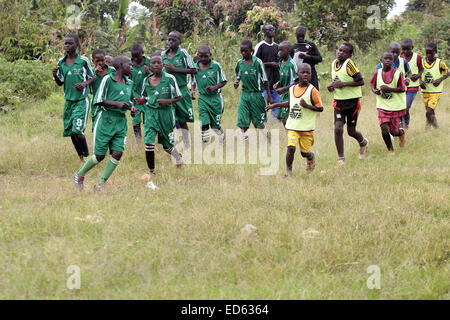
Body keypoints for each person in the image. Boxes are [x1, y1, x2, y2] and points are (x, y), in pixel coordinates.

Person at [74, 56, 137, 191]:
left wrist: (132, 108)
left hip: (120, 122)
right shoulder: (108, 79)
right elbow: (98, 100)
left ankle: (100, 184)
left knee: (118, 153)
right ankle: (80, 174)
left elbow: (129, 100)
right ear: (120, 66)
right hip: (105, 119)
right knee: (100, 156)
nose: (132, 67)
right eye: (129, 65)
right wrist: (117, 104)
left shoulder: (129, 83)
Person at [134, 54, 184, 189]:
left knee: (167, 145)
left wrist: (168, 101)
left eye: (158, 63)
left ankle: (178, 157)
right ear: (150, 66)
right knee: (149, 142)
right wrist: (141, 101)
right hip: (150, 114)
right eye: (153, 63)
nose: (156, 65)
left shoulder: (170, 79)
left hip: (165, 114)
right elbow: (145, 97)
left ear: (163, 65)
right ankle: (152, 171)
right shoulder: (146, 80)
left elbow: (179, 96)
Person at [266, 63, 323, 175]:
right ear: (298, 74)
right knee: (291, 148)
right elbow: (291, 103)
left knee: (304, 153)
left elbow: (320, 108)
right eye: (303, 72)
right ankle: (288, 173)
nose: (305, 74)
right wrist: (275, 105)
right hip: (293, 126)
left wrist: (307, 106)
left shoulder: (313, 91)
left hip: (306, 128)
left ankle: (310, 156)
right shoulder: (292, 89)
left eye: (308, 72)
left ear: (311, 75)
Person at [52, 34, 94, 162]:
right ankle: (80, 157)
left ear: (76, 45)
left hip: (81, 101)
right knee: (71, 132)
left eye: (70, 43)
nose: (67, 46)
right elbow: (60, 82)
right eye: (65, 43)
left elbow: (93, 76)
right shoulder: (61, 62)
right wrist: (55, 75)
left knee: (77, 130)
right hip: (69, 102)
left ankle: (87, 155)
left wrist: (84, 84)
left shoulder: (83, 60)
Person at [327, 42, 369, 165]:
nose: (340, 53)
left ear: (350, 54)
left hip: (352, 102)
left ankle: (363, 143)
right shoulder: (334, 63)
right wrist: (332, 86)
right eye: (339, 50)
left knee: (351, 131)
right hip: (339, 102)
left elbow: (361, 81)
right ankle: (341, 159)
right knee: (338, 128)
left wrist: (343, 85)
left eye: (344, 51)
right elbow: (337, 79)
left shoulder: (349, 64)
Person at [162, 31, 197, 149]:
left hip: (181, 90)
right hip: (168, 92)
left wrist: (175, 69)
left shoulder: (183, 53)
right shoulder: (163, 54)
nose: (170, 42)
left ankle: (187, 144)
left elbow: (193, 70)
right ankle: (171, 145)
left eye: (174, 40)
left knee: (182, 119)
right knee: (169, 119)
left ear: (179, 42)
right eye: (169, 39)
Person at [234, 40, 272, 141]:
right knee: (242, 118)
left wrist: (269, 95)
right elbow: (238, 74)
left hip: (257, 95)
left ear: (251, 51)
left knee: (259, 122)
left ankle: (267, 135)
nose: (243, 53)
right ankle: (245, 139)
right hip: (245, 94)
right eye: (241, 51)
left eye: (245, 51)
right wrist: (237, 81)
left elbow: (265, 80)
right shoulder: (239, 63)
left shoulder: (257, 62)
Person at [371, 51, 407, 154]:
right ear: (381, 60)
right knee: (384, 128)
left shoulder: (397, 74)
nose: (388, 60)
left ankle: (401, 133)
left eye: (390, 59)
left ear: (393, 61)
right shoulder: (377, 73)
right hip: (382, 106)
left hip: (395, 106)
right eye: (385, 58)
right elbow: (372, 85)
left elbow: (402, 89)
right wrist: (375, 91)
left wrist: (389, 89)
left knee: (394, 131)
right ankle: (390, 150)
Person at [190, 45, 227, 144]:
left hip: (215, 99)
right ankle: (206, 143)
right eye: (201, 56)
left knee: (215, 126)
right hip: (203, 99)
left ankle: (222, 137)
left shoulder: (216, 66)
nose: (203, 59)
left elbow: (224, 81)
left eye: (205, 56)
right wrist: (192, 91)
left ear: (210, 55)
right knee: (204, 122)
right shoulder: (195, 68)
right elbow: (193, 82)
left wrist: (214, 87)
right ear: (198, 56)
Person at [254, 24, 280, 123]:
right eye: (270, 29)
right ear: (265, 32)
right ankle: (262, 123)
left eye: (273, 29)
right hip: (263, 81)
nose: (272, 30)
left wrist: (278, 65)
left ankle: (275, 123)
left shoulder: (277, 46)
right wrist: (269, 64)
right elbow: (255, 63)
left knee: (276, 104)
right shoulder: (260, 46)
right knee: (263, 104)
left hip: (275, 80)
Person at [419, 42, 449, 129]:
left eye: (430, 53)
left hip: (435, 92)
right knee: (430, 112)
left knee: (429, 112)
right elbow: (417, 74)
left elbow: (448, 73)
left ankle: (430, 128)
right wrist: (420, 82)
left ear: (435, 51)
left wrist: (440, 80)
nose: (428, 55)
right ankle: (435, 129)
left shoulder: (440, 62)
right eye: (427, 53)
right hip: (425, 92)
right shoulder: (421, 62)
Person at [273, 41, 298, 125]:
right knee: (281, 117)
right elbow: (284, 76)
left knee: (287, 118)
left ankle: (292, 136)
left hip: (290, 93)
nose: (279, 52)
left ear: (288, 51)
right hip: (283, 94)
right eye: (278, 50)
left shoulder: (291, 64)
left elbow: (297, 81)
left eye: (281, 50)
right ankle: (289, 135)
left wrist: (283, 89)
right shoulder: (280, 63)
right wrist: (278, 83)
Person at [400, 38, 423, 129]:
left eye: (407, 49)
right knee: (401, 108)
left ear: (412, 47)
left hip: (412, 86)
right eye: (403, 49)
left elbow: (421, 69)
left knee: (406, 107)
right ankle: (402, 126)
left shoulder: (418, 57)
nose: (405, 51)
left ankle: (405, 125)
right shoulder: (399, 56)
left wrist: (418, 76)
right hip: (401, 86)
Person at [130, 43, 151, 142]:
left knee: (149, 120)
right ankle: (138, 141)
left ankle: (149, 140)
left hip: (148, 96)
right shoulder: (129, 64)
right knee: (136, 119)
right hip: (135, 96)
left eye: (137, 56)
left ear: (142, 53)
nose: (135, 59)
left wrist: (149, 73)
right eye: (133, 57)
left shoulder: (149, 62)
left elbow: (157, 76)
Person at [90, 49, 116, 129]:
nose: (100, 63)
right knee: (96, 125)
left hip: (110, 101)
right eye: (97, 61)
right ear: (93, 60)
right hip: (97, 102)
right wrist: (94, 74)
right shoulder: (90, 71)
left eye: (102, 60)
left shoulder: (112, 71)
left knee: (110, 125)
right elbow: (87, 86)